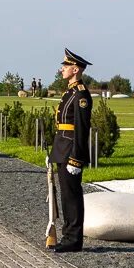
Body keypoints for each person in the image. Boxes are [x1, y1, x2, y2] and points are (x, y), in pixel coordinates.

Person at [48, 48, 92, 253]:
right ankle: (68, 235)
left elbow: (82, 130)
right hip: (62, 148)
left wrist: (77, 158)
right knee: (66, 195)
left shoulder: (81, 94)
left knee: (72, 196)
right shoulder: (70, 92)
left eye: (65, 66)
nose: (61, 69)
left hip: (71, 151)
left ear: (75, 69)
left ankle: (73, 239)